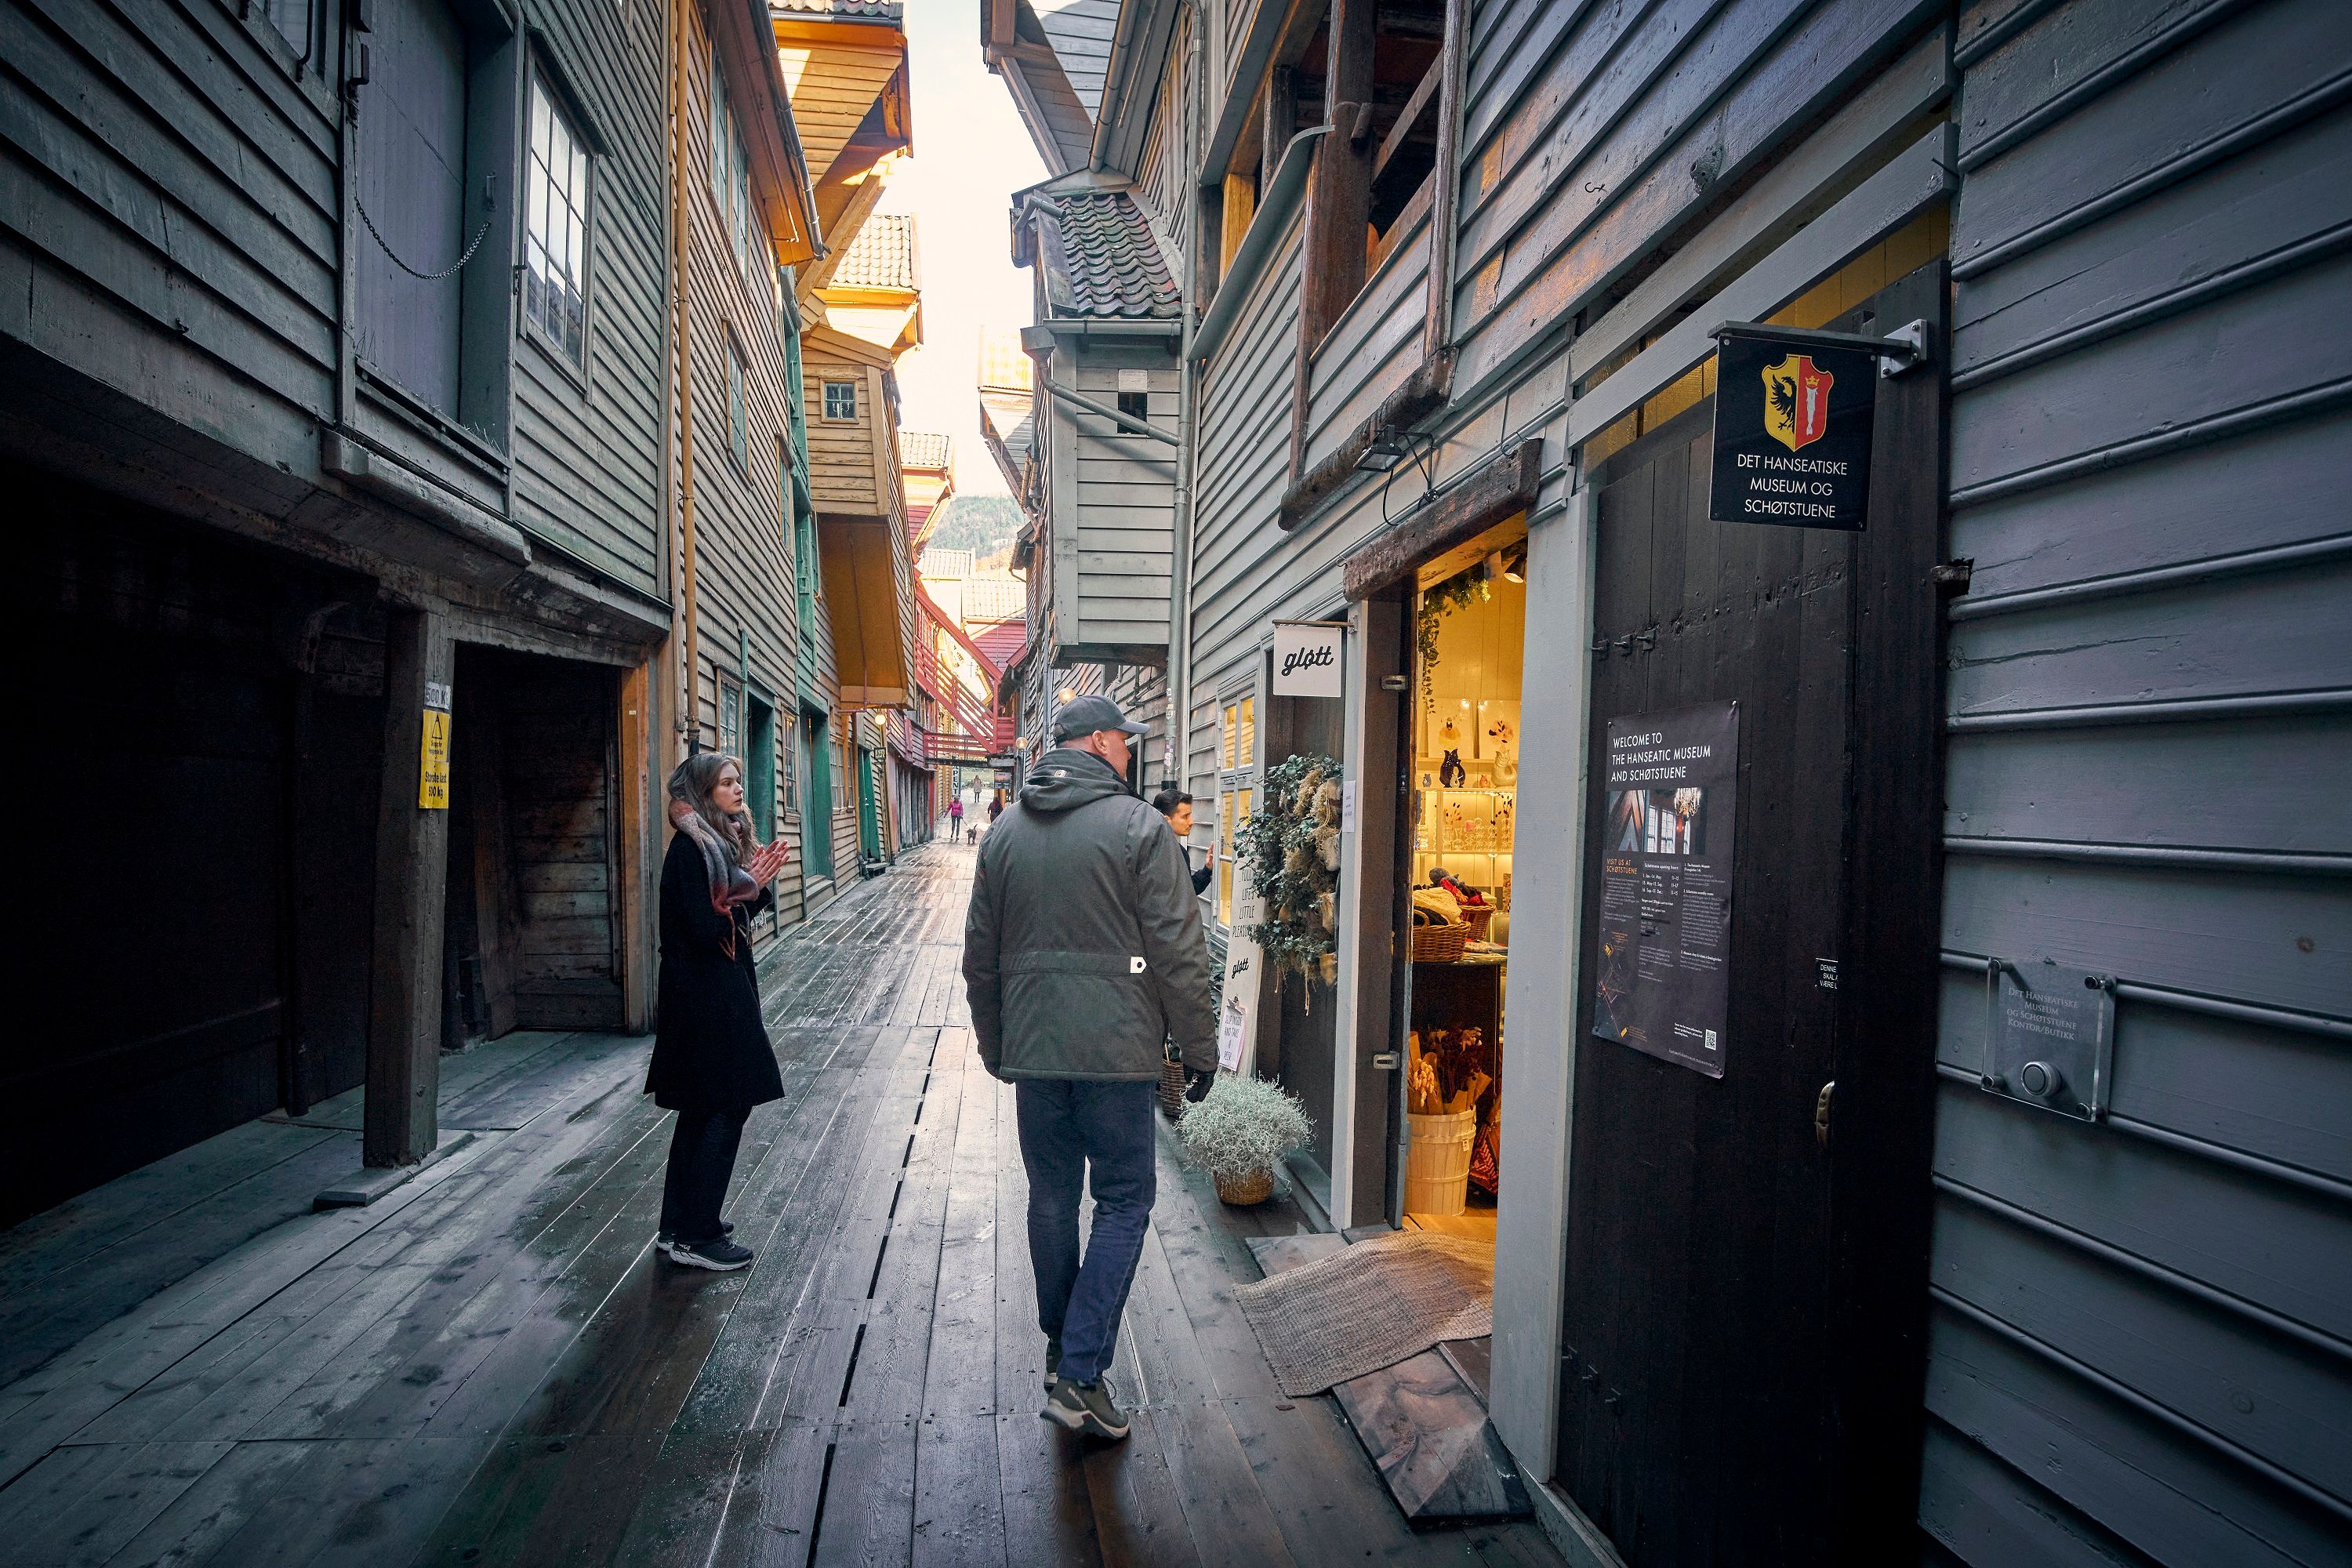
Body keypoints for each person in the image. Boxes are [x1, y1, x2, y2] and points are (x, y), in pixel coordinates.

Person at [963, 695, 1216, 1440]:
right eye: (1127, 743)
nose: (1133, 755)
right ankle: (1078, 1372)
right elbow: (1178, 950)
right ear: (1100, 743)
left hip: (1037, 1051)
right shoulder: (1139, 829)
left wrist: (995, 1042)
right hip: (1116, 1053)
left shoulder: (1004, 832)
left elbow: (981, 956)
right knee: (1125, 1201)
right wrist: (1198, 1050)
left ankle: (1059, 1350)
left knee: (1050, 1196)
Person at [645, 753, 790, 1271]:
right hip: (706, 997)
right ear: (705, 793)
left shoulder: (712, 844)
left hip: (709, 993)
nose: (737, 790)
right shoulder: (692, 852)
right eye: (726, 783)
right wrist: (750, 882)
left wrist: (752, 884)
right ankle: (698, 1235)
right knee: (727, 1104)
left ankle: (678, 1224)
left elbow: (731, 912)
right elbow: (711, 931)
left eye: (737, 781)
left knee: (703, 1106)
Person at [1149, 788, 1215, 896]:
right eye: (1185, 817)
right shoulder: (1150, 852)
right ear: (1166, 820)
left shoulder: (1179, 852)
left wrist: (1207, 869)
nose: (1191, 822)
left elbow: (1186, 892)